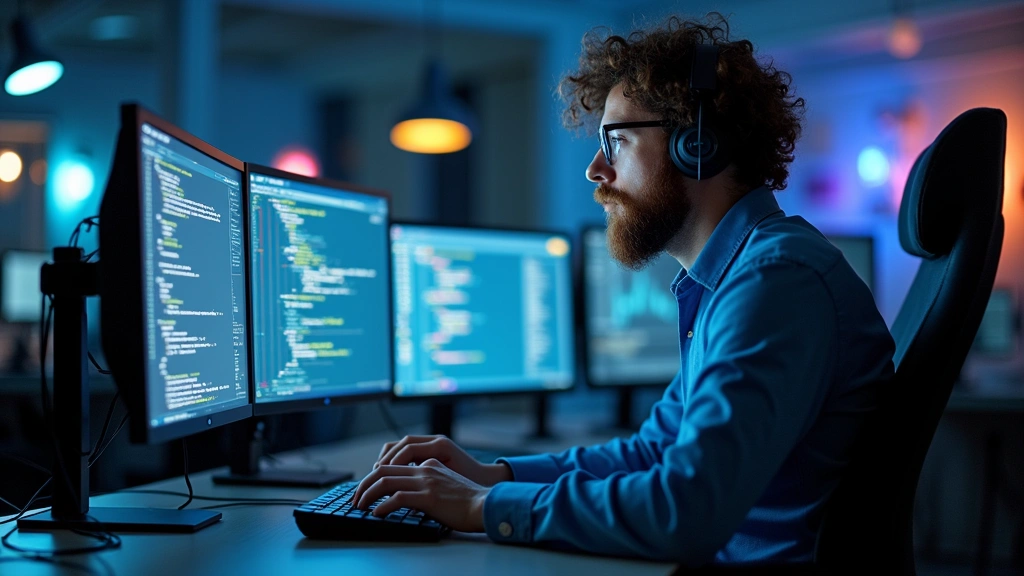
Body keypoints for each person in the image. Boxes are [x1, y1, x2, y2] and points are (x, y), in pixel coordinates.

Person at [350, 13, 895, 566]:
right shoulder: (734, 279)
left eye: (617, 142)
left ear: (696, 145)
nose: (594, 170)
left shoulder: (777, 281)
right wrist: (496, 475)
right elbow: (653, 450)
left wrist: (485, 507)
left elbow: (687, 508)